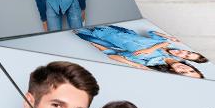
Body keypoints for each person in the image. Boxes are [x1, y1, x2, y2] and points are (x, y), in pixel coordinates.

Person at [76, 24, 208, 77]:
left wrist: (95, 44)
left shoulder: (151, 64)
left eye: (184, 73)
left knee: (76, 27)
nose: (184, 69)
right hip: (116, 29)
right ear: (193, 67)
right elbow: (161, 40)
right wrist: (152, 48)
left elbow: (115, 55)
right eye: (191, 70)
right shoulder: (176, 53)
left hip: (101, 37)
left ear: (176, 73)